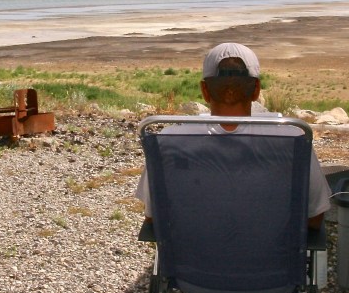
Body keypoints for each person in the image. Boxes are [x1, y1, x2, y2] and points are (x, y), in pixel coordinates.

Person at [135, 42, 331, 229]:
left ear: (204, 91)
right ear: (256, 90)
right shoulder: (293, 139)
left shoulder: (168, 142)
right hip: (270, 261)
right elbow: (314, 217)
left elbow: (153, 216)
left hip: (194, 261)